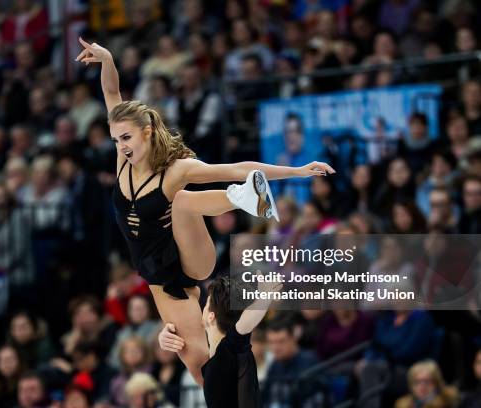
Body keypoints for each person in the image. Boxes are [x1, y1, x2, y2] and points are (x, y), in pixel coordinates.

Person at [75, 37, 335, 385]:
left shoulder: (176, 169)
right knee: (200, 370)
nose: (121, 147)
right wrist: (107, 59)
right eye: (115, 140)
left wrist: (298, 171)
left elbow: (235, 166)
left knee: (181, 198)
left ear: (148, 132)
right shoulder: (123, 164)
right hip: (160, 281)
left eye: (127, 138)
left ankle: (243, 198)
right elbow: (112, 93)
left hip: (189, 260)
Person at [157, 275, 281, 407]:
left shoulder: (228, 353)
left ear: (211, 316)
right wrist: (167, 337)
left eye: (206, 304)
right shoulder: (216, 359)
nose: (202, 309)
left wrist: (264, 298)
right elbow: (189, 349)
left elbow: (244, 326)